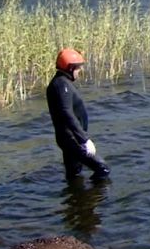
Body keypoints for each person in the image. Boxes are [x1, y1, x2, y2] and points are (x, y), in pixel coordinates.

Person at [46, 48, 110, 182]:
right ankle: (90, 201)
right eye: (78, 68)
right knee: (102, 169)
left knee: (74, 173)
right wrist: (84, 140)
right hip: (72, 139)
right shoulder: (62, 86)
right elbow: (66, 113)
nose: (79, 71)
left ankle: (74, 199)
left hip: (67, 138)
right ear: (70, 68)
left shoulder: (59, 83)